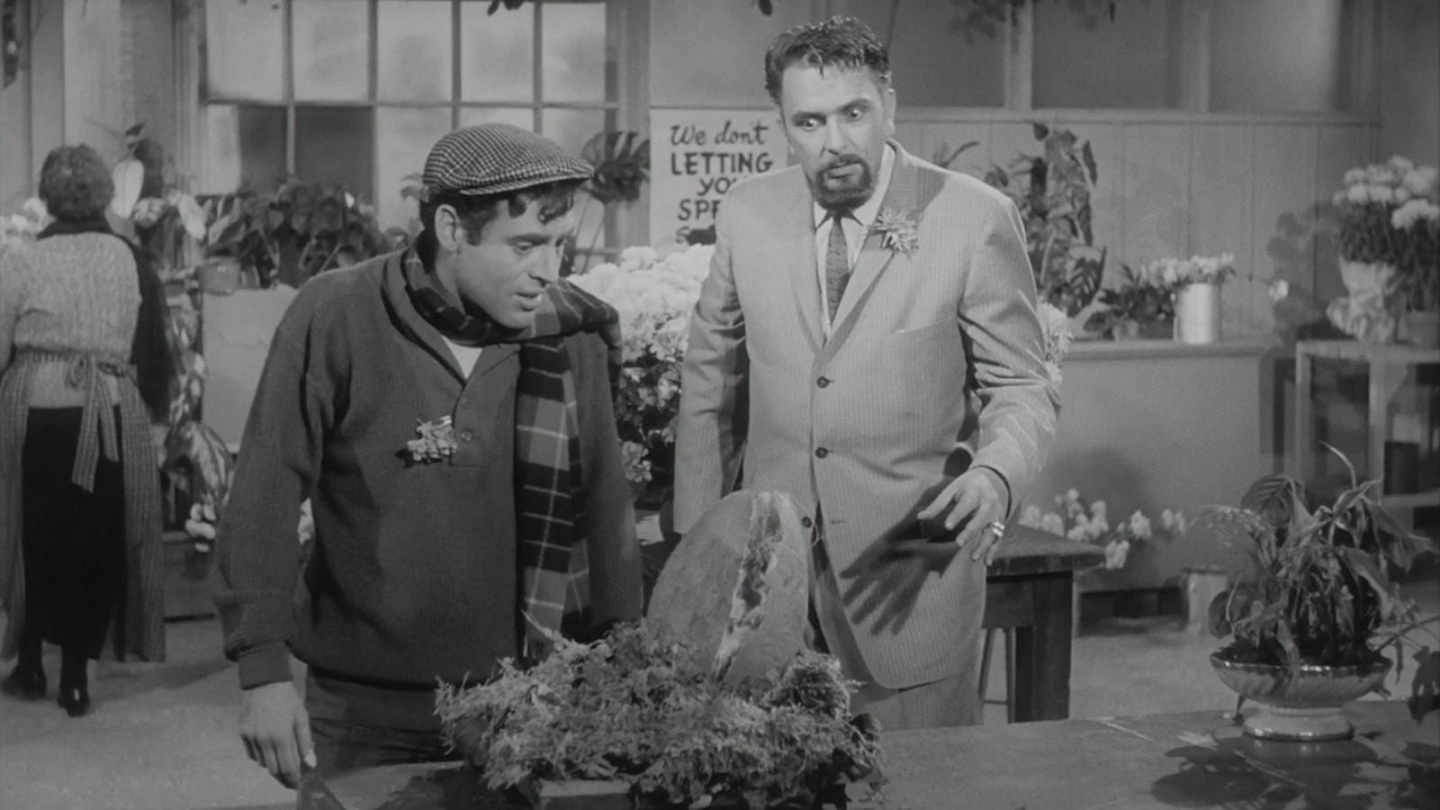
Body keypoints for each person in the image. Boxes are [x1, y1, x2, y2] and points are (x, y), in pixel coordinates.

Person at [213, 124, 642, 790]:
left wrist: (624, 672)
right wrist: (263, 671)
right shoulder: (339, 314)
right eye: (525, 245)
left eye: (559, 245)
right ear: (451, 228)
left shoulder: (570, 337)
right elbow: (265, 491)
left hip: (531, 708)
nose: (549, 272)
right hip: (364, 712)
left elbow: (605, 512)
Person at [674, 17, 1059, 730]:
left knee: (923, 781)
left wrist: (995, 475)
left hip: (909, 571)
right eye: (810, 121)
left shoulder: (973, 218)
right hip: (769, 579)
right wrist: (700, 545)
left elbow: (1022, 385)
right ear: (784, 126)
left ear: (889, 106)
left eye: (854, 114)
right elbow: (709, 376)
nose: (836, 141)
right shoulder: (747, 212)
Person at [0, 144, 173, 717]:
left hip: (35, 409)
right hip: (111, 412)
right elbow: (151, 348)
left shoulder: (21, 259)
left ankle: (29, 663)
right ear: (103, 194)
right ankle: (75, 678)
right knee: (91, 543)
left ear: (46, 197)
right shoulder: (130, 258)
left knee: (30, 537)